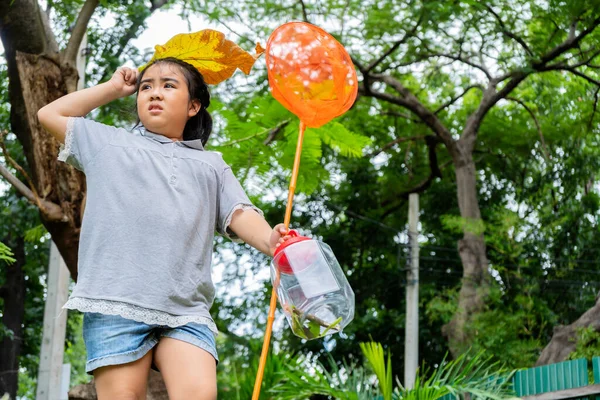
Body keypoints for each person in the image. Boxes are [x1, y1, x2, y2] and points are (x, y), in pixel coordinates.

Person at [37, 57, 290, 400]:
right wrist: (113, 88)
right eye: (146, 87)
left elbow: (239, 213)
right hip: (115, 302)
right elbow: (48, 115)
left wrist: (272, 241)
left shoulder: (211, 165)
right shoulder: (106, 144)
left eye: (169, 85)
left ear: (193, 106)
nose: (155, 93)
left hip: (186, 309)